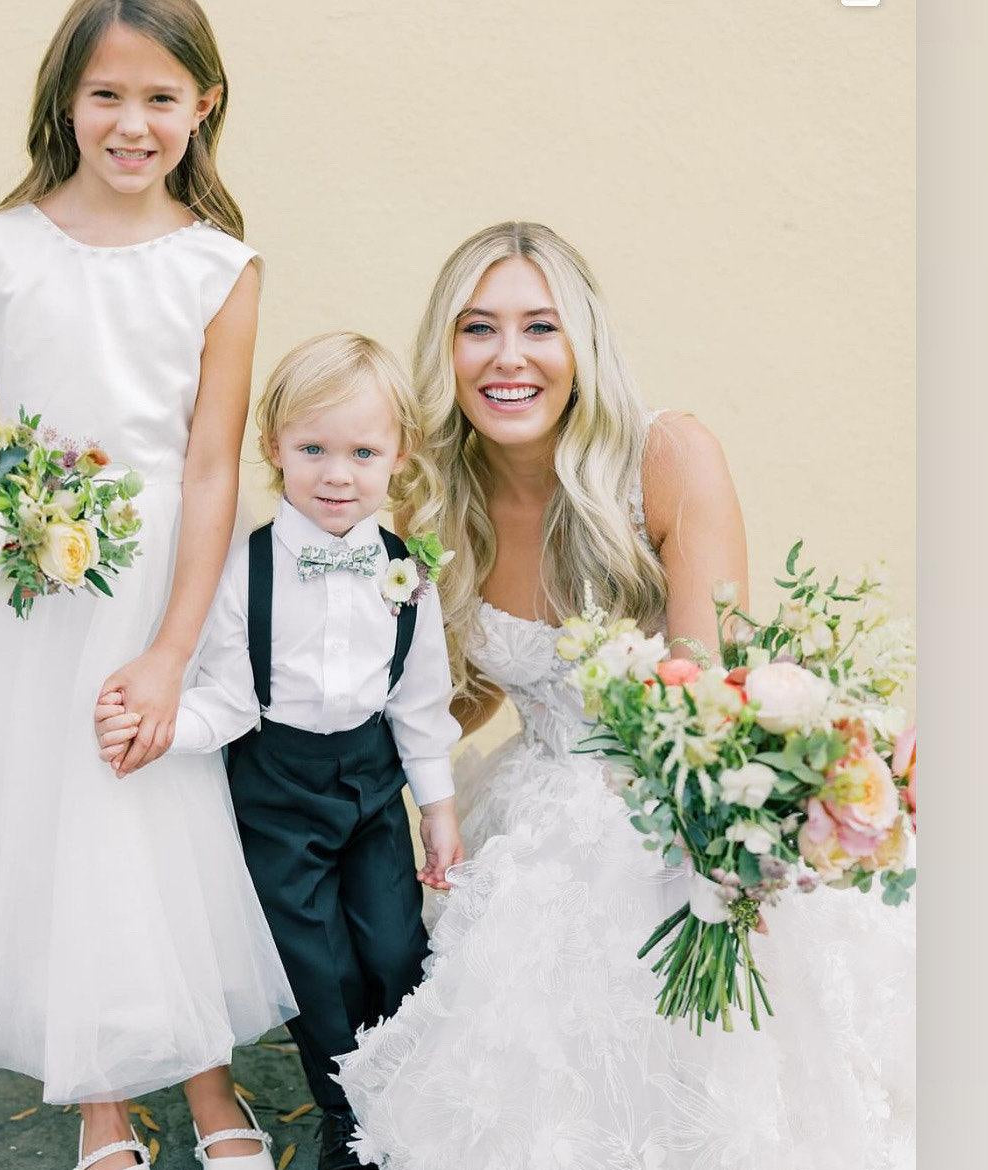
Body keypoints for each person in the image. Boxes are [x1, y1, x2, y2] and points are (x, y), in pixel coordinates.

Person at [333, 222, 915, 1170]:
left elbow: (713, 689)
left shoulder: (667, 457)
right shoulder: (431, 495)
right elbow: (467, 691)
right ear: (446, 350)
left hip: (673, 795)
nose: (508, 358)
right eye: (478, 329)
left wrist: (714, 854)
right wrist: (336, 761)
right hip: (530, 791)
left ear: (583, 346)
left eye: (540, 328)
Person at [0, 3, 297, 1167]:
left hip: (156, 578)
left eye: (161, 98)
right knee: (55, 823)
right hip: (28, 588)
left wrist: (173, 649)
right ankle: (101, 1107)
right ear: (66, 101)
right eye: (107, 95)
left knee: (157, 817)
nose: (132, 123)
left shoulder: (221, 268)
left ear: (202, 107)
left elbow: (212, 463)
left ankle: (210, 1087)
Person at [96, 331, 464, 1170]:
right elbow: (225, 697)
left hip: (372, 784)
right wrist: (163, 731)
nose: (338, 474)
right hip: (274, 782)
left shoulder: (410, 572)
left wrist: (436, 807)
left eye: (363, 452)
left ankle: (403, 1095)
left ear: (397, 456)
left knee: (394, 946)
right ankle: (345, 1115)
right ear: (273, 449)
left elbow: (418, 698)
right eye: (314, 449)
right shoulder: (243, 569)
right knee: (315, 962)